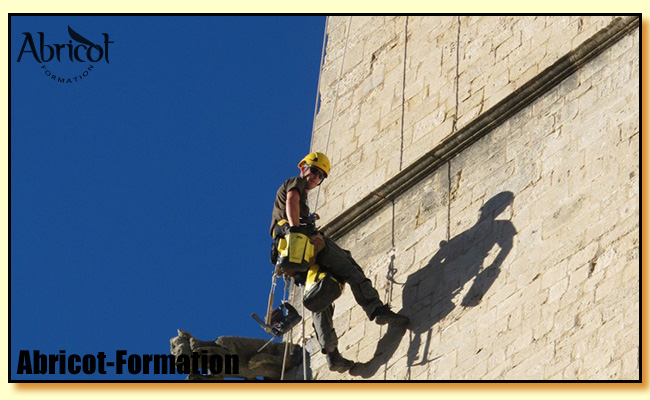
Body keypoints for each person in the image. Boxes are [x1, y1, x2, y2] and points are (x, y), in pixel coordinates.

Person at [269, 152, 410, 373]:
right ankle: (377, 311)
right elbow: (292, 200)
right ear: (302, 167)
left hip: (293, 258)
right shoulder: (293, 183)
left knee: (319, 293)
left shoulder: (296, 204)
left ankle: (332, 355)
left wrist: (304, 220)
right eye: (314, 171)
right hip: (305, 244)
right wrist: (297, 229)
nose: (315, 177)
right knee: (349, 268)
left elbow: (291, 209)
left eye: (321, 176)